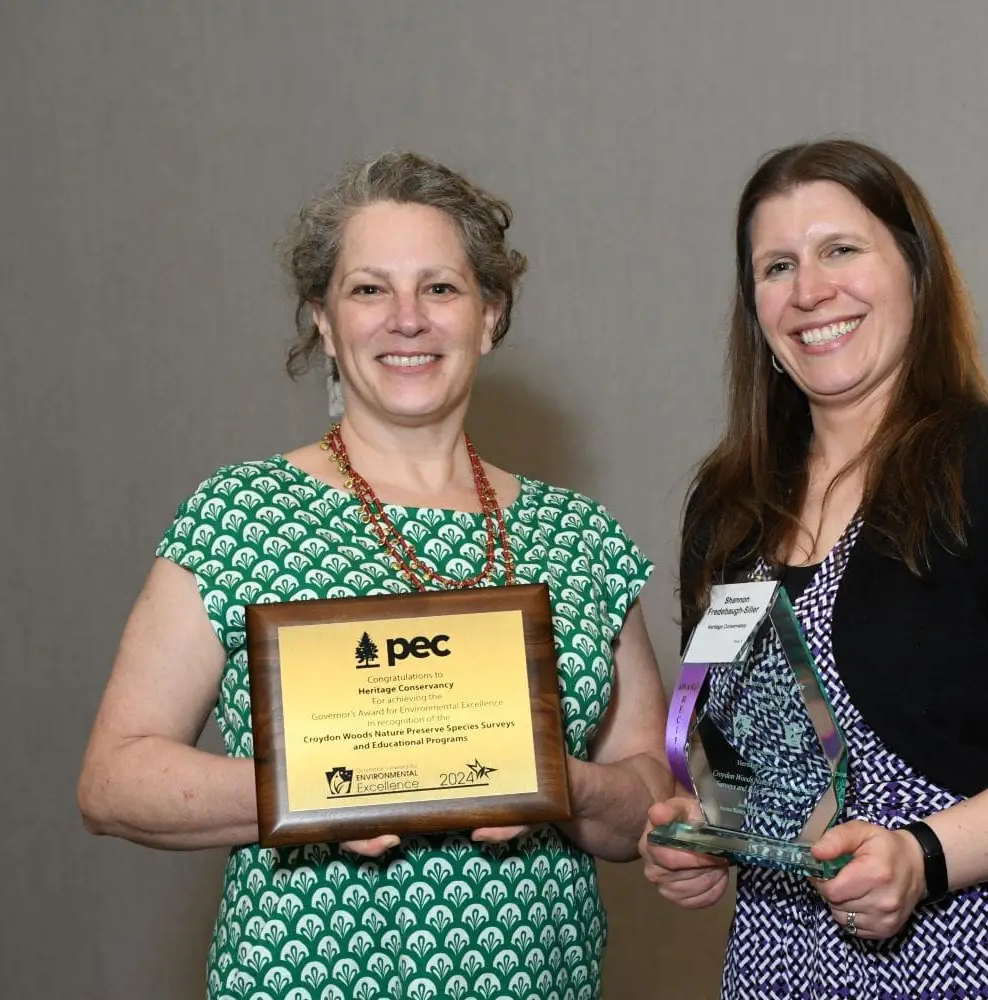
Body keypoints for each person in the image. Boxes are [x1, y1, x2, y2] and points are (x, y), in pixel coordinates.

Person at [79, 151, 672, 1000]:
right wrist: (322, 790)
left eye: (440, 288)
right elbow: (113, 781)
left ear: (489, 316)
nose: (407, 319)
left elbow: (647, 794)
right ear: (324, 321)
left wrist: (565, 785)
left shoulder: (580, 537)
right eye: (368, 290)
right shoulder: (240, 514)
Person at [639, 139, 988, 999]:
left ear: (916, 273)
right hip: (781, 970)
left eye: (840, 249)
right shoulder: (728, 506)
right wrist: (704, 827)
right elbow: (754, 753)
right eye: (778, 267)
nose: (810, 291)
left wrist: (925, 856)